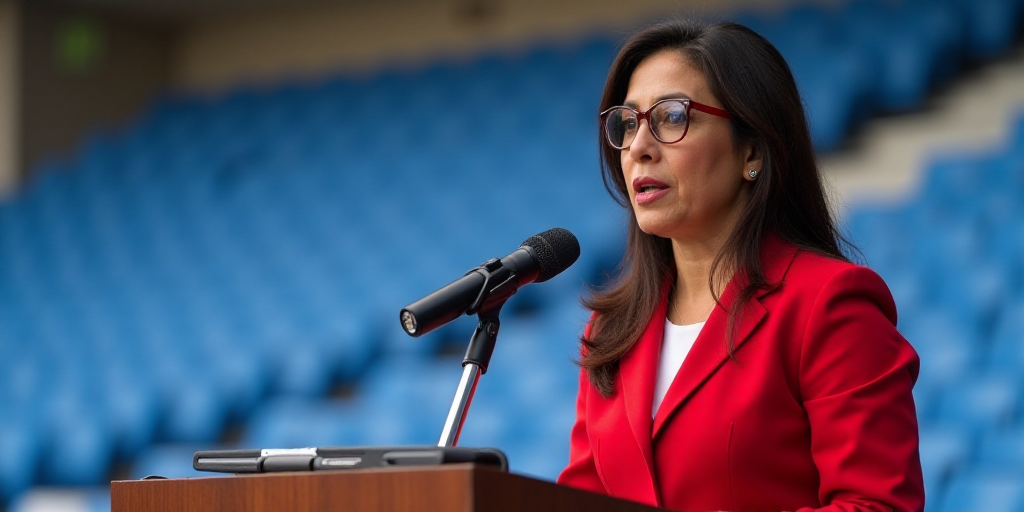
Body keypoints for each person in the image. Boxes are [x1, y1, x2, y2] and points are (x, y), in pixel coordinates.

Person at [556, 19, 924, 512]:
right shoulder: (610, 332)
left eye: (670, 117)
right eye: (628, 123)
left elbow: (877, 504)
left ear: (751, 149)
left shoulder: (830, 304)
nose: (639, 147)